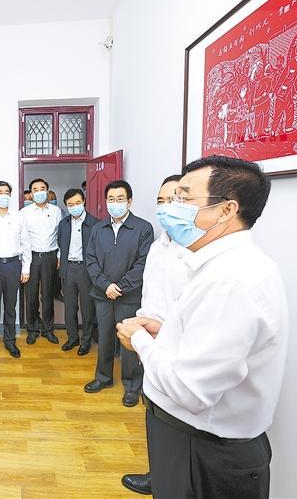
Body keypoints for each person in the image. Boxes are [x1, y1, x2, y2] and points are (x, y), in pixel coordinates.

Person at [116, 156, 288, 498]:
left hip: (204, 451)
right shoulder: (219, 265)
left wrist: (140, 340)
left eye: (183, 198)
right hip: (192, 440)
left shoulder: (229, 281)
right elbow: (204, 343)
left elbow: (191, 391)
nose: (171, 208)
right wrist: (164, 331)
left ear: (226, 210)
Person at [119, 174, 188, 496]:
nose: (166, 207)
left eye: (174, 199)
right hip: (151, 339)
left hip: (177, 344)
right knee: (156, 414)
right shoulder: (159, 245)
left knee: (180, 417)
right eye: (161, 201)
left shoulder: (196, 251)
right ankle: (157, 474)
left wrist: (154, 333)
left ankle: (174, 482)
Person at [84, 180, 153, 407]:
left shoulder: (143, 228)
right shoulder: (98, 229)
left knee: (129, 341)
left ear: (130, 201)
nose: (115, 203)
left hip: (129, 296)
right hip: (103, 295)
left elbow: (143, 264)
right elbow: (91, 260)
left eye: (120, 199)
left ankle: (132, 385)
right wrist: (105, 286)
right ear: (106, 202)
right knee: (104, 337)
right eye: (111, 199)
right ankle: (103, 377)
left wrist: (120, 287)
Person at [0, 181, 30, 359]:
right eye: (0, 192)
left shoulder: (18, 217)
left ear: (10, 195)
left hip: (13, 266)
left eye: (6, 192)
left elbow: (26, 243)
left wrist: (26, 268)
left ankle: (10, 341)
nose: (3, 195)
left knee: (11, 306)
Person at [20, 178, 63, 345]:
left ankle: (48, 329)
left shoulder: (56, 211)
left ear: (47, 191)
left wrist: (59, 256)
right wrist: (24, 263)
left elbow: (60, 235)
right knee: (31, 296)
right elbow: (22, 239)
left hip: (50, 257)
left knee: (48, 295)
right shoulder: (24, 213)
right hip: (31, 257)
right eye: (35, 190)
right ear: (31, 194)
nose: (39, 192)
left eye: (42, 188)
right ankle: (32, 329)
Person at [56, 188, 99, 355]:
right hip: (68, 269)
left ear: (84, 202)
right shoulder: (63, 224)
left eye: (77, 203)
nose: (74, 207)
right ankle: (72, 338)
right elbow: (60, 244)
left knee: (87, 308)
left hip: (86, 270)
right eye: (70, 204)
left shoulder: (95, 224)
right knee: (70, 307)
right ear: (66, 206)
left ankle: (86, 341)